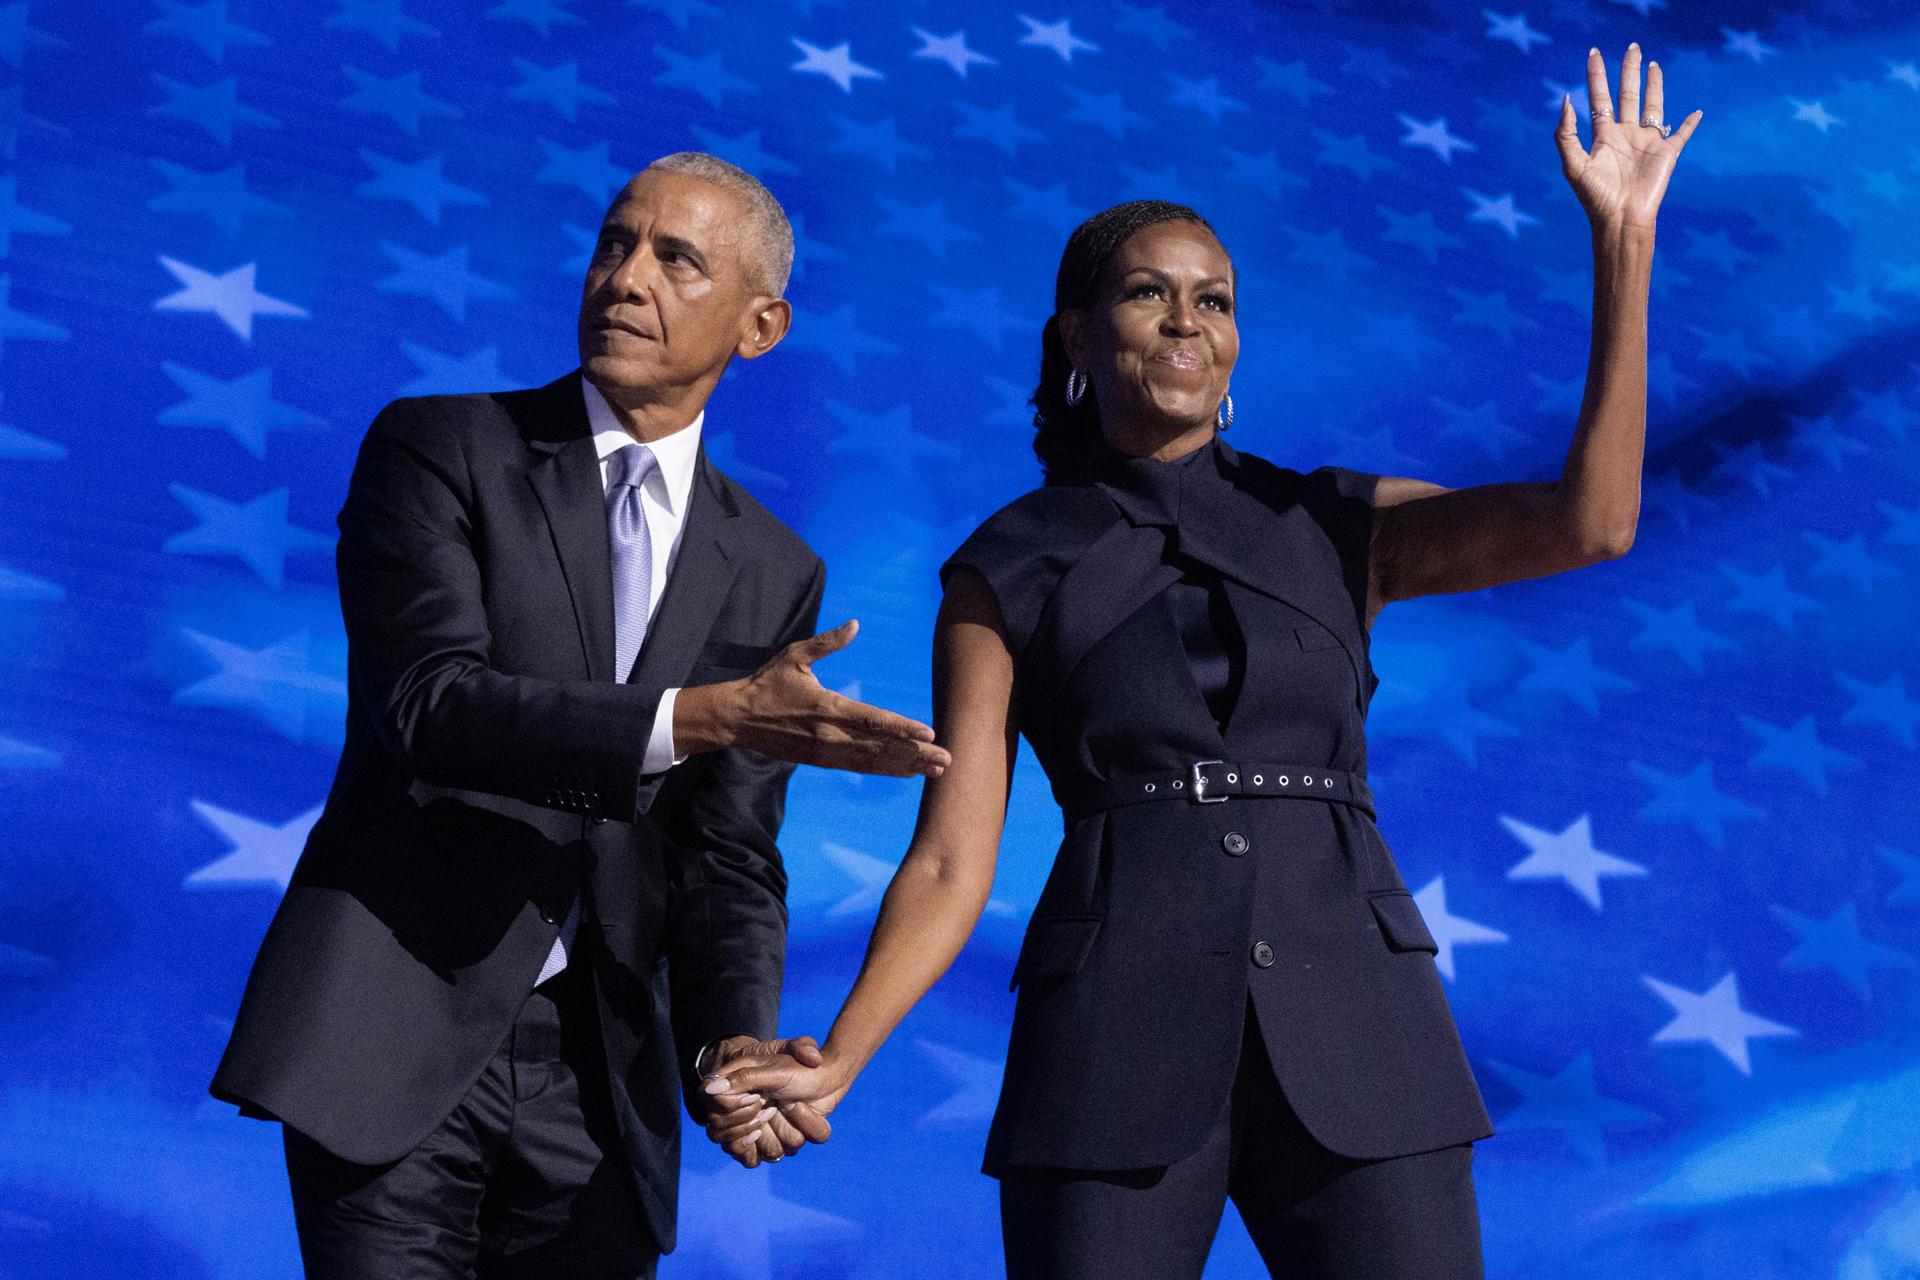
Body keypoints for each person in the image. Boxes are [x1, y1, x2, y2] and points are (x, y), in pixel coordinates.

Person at [708, 48, 1699, 1278]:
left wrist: (1625, 243)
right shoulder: (1004, 564)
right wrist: (843, 1050)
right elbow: (957, 852)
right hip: (1111, 1041)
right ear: (1078, 331)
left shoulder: (1337, 522)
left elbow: (1591, 522)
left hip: (1362, 1029)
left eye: (1215, 299)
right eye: (1148, 293)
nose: (1187, 321)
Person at [208, 151, 950, 1279]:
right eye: (615, 242)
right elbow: (432, 705)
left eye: (676, 259)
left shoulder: (771, 567)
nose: (625, 277)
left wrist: (735, 1040)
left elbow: (728, 855)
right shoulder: (443, 446)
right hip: (394, 1032)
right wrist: (701, 715)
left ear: (760, 327)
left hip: (602, 1091)